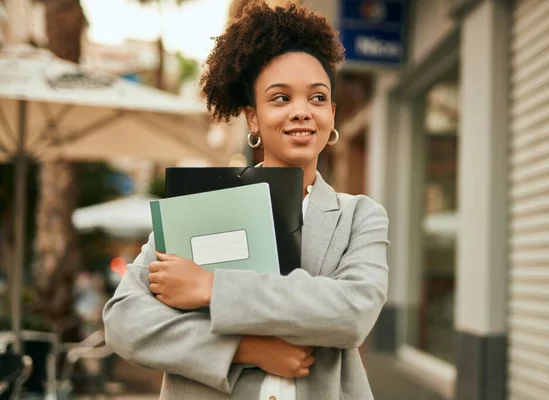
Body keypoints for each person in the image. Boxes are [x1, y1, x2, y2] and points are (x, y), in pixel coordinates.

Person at [102, 1, 389, 399]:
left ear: (333, 114)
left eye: (318, 98)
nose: (302, 112)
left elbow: (352, 313)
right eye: (281, 98)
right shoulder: (197, 207)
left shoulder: (360, 217)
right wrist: (241, 349)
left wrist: (211, 288)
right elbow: (124, 321)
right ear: (253, 118)